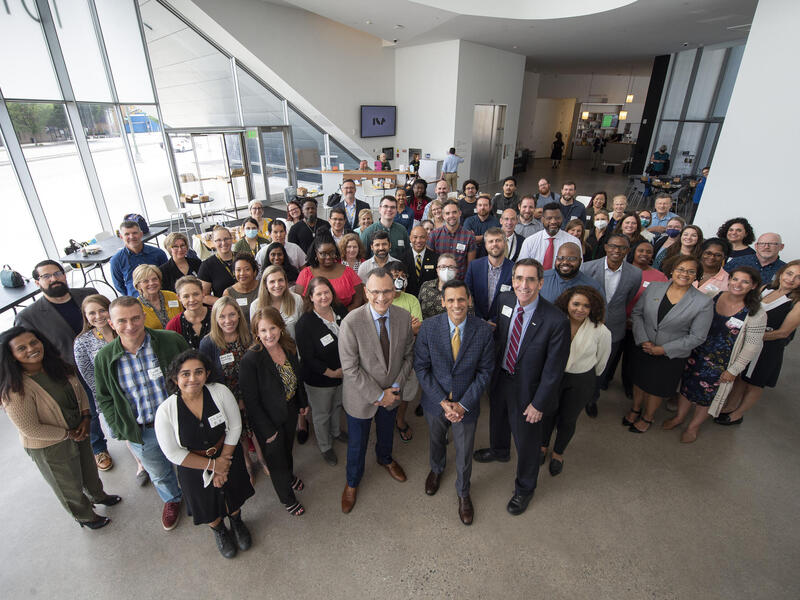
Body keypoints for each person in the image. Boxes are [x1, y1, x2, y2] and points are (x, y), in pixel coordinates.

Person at [473, 259, 570, 515]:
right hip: (501, 377)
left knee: (527, 442)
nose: (523, 285)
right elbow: (500, 336)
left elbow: (554, 370)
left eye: (530, 279)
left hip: (529, 389)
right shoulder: (505, 301)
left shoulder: (556, 320)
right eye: (519, 278)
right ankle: (499, 450)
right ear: (513, 280)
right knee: (498, 418)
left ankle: (525, 488)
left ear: (540, 283)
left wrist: (539, 404)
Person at [0, 327, 120, 529]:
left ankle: (98, 495)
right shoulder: (14, 389)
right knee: (68, 484)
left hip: (78, 429)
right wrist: (68, 434)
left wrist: (85, 417)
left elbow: (80, 390)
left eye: (33, 342)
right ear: (11, 356)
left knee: (89, 469)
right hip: (50, 445)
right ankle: (85, 517)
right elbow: (31, 429)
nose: (31, 348)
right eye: (21, 348)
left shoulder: (56, 365)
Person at [94, 297, 189, 529]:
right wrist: (119, 427)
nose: (130, 325)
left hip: (179, 421)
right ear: (111, 323)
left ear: (144, 317)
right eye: (122, 320)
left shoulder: (170, 340)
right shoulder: (104, 358)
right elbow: (104, 397)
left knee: (190, 462)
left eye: (135, 318)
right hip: (142, 430)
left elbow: (193, 371)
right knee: (159, 472)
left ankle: (198, 495)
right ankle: (172, 499)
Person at [155, 350, 255, 558]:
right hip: (193, 467)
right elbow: (172, 453)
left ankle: (237, 522)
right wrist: (214, 466)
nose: (193, 378)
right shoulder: (166, 411)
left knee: (233, 493)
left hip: (227, 454)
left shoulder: (220, 392)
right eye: (185, 374)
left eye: (198, 372)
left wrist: (223, 462)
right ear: (175, 378)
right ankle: (219, 530)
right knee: (205, 502)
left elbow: (235, 426)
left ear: (207, 374)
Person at [15, 260, 111, 471]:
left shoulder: (87, 294)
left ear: (65, 274)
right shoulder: (28, 316)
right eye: (46, 276)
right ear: (37, 282)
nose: (54, 279)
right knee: (89, 412)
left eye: (57, 273)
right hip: (71, 372)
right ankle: (98, 448)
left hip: (106, 363)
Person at [414, 279, 494, 525]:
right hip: (435, 402)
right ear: (442, 302)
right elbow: (421, 367)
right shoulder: (429, 328)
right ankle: (436, 469)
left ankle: (463, 491)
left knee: (464, 451)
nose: (456, 305)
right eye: (450, 300)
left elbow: (485, 372)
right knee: (436, 440)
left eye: (461, 299)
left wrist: (463, 404)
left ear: (469, 300)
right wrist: (442, 401)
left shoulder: (483, 330)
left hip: (466, 405)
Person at [338, 268, 415, 514]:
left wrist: (395, 387)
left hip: (393, 394)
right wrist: (379, 395)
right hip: (361, 398)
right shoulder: (351, 322)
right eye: (375, 292)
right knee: (357, 444)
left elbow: (408, 355)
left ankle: (385, 458)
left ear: (394, 291)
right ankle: (352, 482)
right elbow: (350, 368)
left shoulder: (404, 317)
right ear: (365, 292)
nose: (381, 298)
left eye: (387, 291)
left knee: (386, 433)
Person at [664, 267, 766, 443]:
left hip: (722, 364)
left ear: (754, 286)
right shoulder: (714, 295)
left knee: (707, 396)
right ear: (729, 280)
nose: (738, 284)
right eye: (735, 279)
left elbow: (752, 346)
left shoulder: (756, 312)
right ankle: (679, 417)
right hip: (696, 352)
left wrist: (734, 370)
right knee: (686, 387)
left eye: (745, 282)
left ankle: (693, 426)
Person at [626, 256, 713, 433]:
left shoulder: (703, 302)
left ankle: (648, 417)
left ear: (696, 275)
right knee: (639, 381)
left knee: (657, 387)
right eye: (681, 269)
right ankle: (635, 408)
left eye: (691, 271)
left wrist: (663, 349)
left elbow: (697, 336)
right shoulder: (654, 287)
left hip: (671, 354)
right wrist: (643, 339)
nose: (684, 274)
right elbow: (637, 314)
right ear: (672, 270)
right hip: (644, 345)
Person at [239, 307, 309, 516]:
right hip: (267, 420)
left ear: (280, 327)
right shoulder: (251, 360)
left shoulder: (288, 346)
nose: (269, 334)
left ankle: (289, 476)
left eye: (273, 328)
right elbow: (251, 402)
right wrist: (267, 431)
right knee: (276, 461)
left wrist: (302, 402)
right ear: (256, 333)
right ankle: (287, 498)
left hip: (289, 410)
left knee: (287, 450)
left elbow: (298, 377)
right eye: (263, 330)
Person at [74, 294, 149, 484]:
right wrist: (108, 399)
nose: (98, 316)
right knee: (128, 429)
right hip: (114, 396)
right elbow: (90, 377)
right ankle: (141, 463)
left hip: (140, 387)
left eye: (102, 310)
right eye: (92, 313)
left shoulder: (127, 329)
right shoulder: (82, 343)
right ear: (85, 316)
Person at [717, 261, 800, 425]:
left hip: (768, 348)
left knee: (754, 383)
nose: (791, 279)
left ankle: (737, 414)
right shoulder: (766, 288)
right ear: (782, 273)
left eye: (798, 277)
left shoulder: (796, 302)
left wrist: (750, 335)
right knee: (740, 377)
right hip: (746, 342)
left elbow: (783, 332)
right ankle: (729, 406)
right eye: (789, 273)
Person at [542, 287, 611, 475]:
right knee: (547, 414)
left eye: (586, 306)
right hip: (554, 377)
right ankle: (542, 446)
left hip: (581, 380)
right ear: (567, 303)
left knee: (568, 419)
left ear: (593, 308)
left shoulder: (601, 331)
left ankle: (558, 453)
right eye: (576, 304)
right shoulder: (555, 322)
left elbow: (601, 361)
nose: (580, 309)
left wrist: (589, 378)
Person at [198, 297, 267, 483]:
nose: (228, 320)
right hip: (227, 399)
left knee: (257, 427)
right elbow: (206, 376)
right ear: (215, 318)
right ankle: (247, 463)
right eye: (222, 316)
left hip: (252, 393)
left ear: (238, 314)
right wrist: (233, 401)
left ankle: (262, 459)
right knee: (238, 433)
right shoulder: (208, 343)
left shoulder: (248, 336)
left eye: (232, 315)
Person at [580, 234, 642, 416]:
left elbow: (627, 298)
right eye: (613, 246)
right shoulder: (587, 268)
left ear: (628, 251)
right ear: (606, 247)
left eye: (622, 248)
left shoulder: (635, 274)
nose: (617, 250)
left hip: (614, 327)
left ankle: (592, 399)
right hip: (587, 323)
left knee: (602, 366)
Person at [295, 277, 348, 466]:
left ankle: (336, 432)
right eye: (319, 294)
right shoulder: (304, 324)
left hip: (343, 373)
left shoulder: (340, 310)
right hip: (319, 378)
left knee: (337, 405)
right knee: (322, 414)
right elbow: (308, 358)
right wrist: (332, 373)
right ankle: (325, 446)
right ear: (310, 297)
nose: (324, 297)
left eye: (327, 292)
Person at [386, 260, 423, 442]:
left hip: (408, 356)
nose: (399, 280)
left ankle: (400, 420)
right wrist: (408, 326)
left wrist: (399, 329)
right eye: (395, 276)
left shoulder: (412, 300)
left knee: (406, 392)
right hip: (387, 358)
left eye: (402, 276)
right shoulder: (383, 300)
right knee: (388, 391)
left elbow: (418, 328)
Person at [296, 233, 365, 311]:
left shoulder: (348, 272)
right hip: (314, 315)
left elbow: (358, 299)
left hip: (345, 315)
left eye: (331, 253)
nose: (328, 257)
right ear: (316, 253)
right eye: (323, 254)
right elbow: (299, 301)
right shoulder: (305, 274)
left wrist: (344, 315)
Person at [465, 228, 513, 321]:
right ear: (486, 245)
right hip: (476, 320)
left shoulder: (514, 269)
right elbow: (467, 294)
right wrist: (480, 319)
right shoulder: (474, 266)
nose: (494, 244)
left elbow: (512, 301)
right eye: (490, 241)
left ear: (505, 243)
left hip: (502, 323)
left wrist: (495, 321)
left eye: (498, 240)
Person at [110, 220, 168, 296]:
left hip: (159, 296)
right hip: (135, 300)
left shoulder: (158, 253)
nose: (131, 237)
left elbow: (166, 277)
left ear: (141, 234)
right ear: (121, 237)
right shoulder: (116, 260)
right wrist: (131, 297)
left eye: (135, 233)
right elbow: (119, 285)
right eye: (127, 234)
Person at [518, 203, 580, 269]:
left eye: (557, 218)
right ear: (542, 220)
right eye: (549, 218)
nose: (553, 221)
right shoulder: (530, 241)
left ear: (562, 218)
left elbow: (578, 268)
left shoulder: (573, 242)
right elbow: (522, 267)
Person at [428, 200, 477, 280]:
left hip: (459, 282)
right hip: (439, 282)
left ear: (460, 213)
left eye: (454, 212)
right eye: (447, 213)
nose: (451, 216)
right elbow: (430, 262)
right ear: (443, 216)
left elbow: (470, 266)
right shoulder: (434, 235)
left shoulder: (469, 236)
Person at [540, 242, 604, 303]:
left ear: (580, 261)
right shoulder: (541, 279)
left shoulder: (593, 287)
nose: (565, 262)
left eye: (571, 259)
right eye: (560, 258)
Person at [251, 266, 304, 338]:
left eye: (280, 280)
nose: (277, 285)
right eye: (272, 281)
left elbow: (303, 329)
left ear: (285, 281)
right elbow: (256, 335)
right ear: (265, 284)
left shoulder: (297, 299)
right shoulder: (255, 306)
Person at [167, 276, 212, 349]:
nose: (192, 299)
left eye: (196, 294)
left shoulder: (218, 316)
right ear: (179, 298)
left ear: (203, 293)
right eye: (186, 296)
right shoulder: (173, 326)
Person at [133, 265, 182, 329]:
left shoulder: (172, 296)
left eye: (154, 279)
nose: (151, 283)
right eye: (145, 281)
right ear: (138, 286)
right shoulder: (136, 307)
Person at [198, 226, 237, 303]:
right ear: (213, 242)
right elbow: (204, 296)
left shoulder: (243, 258)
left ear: (231, 239)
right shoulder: (207, 265)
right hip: (223, 306)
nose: (223, 243)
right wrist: (226, 303)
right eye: (218, 240)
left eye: (226, 239)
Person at [402, 225, 438, 297]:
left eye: (422, 237)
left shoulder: (435, 258)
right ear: (410, 238)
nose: (418, 241)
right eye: (415, 237)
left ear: (427, 238)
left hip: (429, 298)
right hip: (408, 298)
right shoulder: (402, 258)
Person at [223, 254, 260, 324]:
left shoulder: (263, 287)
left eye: (247, 269)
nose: (242, 273)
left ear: (254, 271)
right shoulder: (228, 293)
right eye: (238, 270)